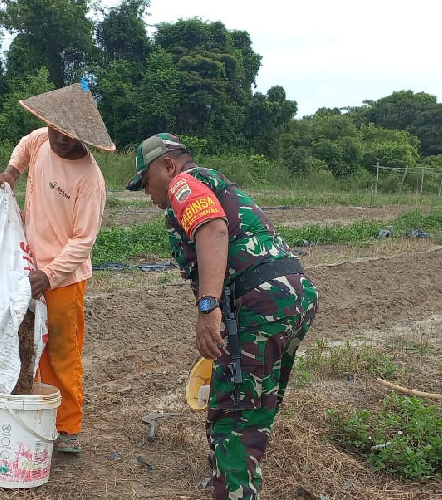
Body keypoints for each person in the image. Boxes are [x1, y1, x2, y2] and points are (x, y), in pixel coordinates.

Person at [125, 133, 319, 500]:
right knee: (254, 406)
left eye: (147, 182)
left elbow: (213, 230)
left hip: (261, 302)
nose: (149, 195)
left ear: (168, 165)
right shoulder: (215, 182)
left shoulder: (184, 184)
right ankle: (238, 481)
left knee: (234, 418)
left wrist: (207, 307)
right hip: (292, 297)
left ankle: (234, 491)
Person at [0, 81, 115, 454]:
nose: (59, 140)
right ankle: (35, 408)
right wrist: (12, 172)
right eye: (55, 130)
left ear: (84, 138)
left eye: (69, 136)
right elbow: (25, 146)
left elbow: (83, 241)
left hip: (63, 279)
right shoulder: (40, 140)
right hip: (28, 268)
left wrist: (49, 275)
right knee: (29, 345)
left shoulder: (89, 179)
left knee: (63, 349)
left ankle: (69, 427)